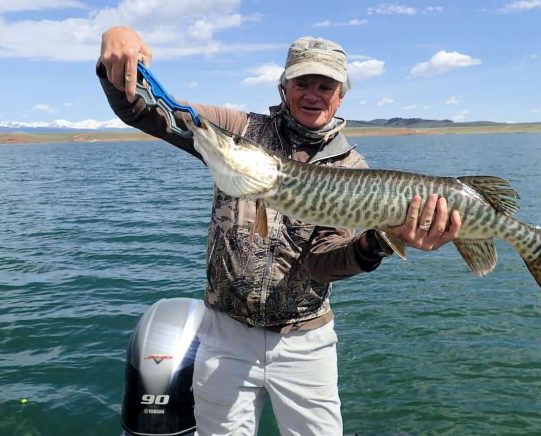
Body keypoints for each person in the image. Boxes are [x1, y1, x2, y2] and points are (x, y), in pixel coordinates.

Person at [97, 26, 462, 435]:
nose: (313, 93)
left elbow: (323, 265)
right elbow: (147, 111)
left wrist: (378, 242)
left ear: (341, 95)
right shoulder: (237, 130)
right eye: (302, 82)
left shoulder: (351, 168)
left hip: (304, 343)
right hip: (225, 335)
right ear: (283, 87)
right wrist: (116, 47)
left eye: (326, 85)